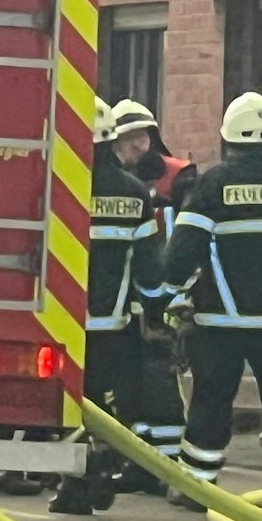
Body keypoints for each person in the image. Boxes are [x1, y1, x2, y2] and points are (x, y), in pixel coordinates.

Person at [160, 92, 262, 515]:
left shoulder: (213, 184)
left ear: (229, 138)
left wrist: (175, 287)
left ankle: (198, 486)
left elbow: (180, 255)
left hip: (221, 323)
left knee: (212, 400)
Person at [51, 101, 168, 515]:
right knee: (103, 403)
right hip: (112, 325)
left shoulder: (60, 184)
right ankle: (98, 468)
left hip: (61, 325)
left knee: (67, 404)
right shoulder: (135, 193)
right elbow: (149, 268)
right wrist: (157, 311)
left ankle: (79, 482)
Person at [106, 99, 194, 492]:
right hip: (127, 295)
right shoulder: (113, 181)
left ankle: (165, 463)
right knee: (131, 381)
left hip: (167, 292)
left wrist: (176, 294)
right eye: (127, 139)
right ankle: (139, 460)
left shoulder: (180, 179)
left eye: (142, 137)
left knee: (158, 376)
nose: (136, 147)